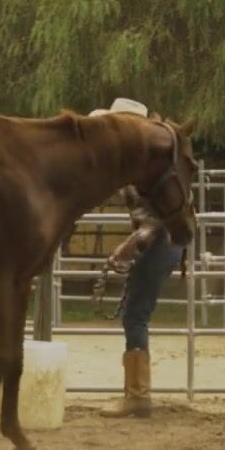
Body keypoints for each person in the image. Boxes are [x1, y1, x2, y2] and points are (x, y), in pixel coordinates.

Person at [89, 99, 186, 418]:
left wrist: (130, 245)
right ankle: (137, 394)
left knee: (135, 316)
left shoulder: (144, 165)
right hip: (162, 242)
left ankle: (138, 396)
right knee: (136, 314)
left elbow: (157, 218)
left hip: (160, 242)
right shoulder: (143, 161)